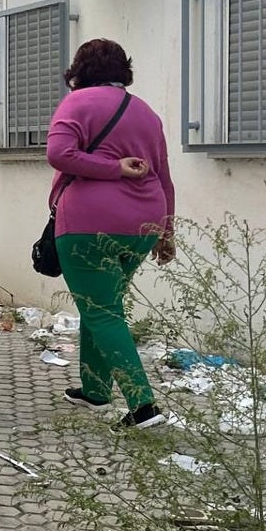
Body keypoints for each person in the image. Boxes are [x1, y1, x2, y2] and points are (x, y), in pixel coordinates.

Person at [47, 38, 176, 430]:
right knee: (100, 304)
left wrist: (113, 168)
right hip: (142, 224)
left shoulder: (77, 103)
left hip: (89, 222)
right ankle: (96, 390)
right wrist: (166, 230)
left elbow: (59, 154)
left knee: (102, 310)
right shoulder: (147, 113)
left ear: (79, 70)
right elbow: (164, 176)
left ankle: (143, 406)